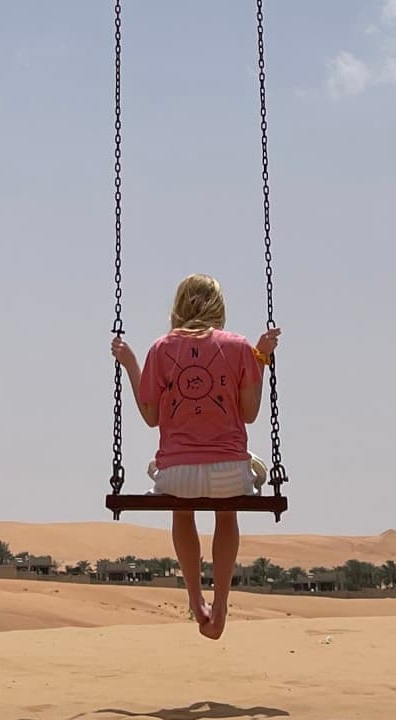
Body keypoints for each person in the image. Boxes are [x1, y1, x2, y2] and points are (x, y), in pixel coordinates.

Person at [112, 274, 279, 641]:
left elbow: (151, 416)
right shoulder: (240, 347)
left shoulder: (160, 348)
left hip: (177, 474)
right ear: (219, 307)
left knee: (181, 510)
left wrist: (130, 363)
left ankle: (194, 599)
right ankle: (220, 606)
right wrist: (262, 357)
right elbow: (249, 413)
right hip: (230, 472)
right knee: (226, 512)